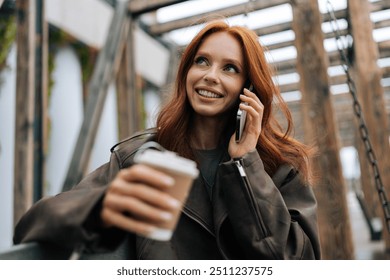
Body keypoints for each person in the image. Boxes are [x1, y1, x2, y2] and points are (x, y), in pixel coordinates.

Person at [13, 20, 321, 260]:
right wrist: (99, 208)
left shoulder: (281, 167)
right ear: (185, 72)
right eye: (201, 61)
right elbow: (33, 223)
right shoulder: (141, 156)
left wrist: (246, 165)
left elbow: (296, 260)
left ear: (249, 88)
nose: (210, 75)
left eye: (230, 68)